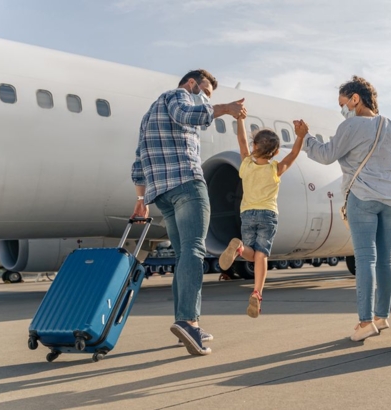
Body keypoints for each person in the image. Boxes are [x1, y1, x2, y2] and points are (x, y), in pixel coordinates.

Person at [296, 76, 391, 342]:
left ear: (355, 99)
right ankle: (381, 317)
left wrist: (305, 138)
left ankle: (364, 322)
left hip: (362, 197)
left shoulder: (350, 126)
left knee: (365, 260)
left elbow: (326, 155)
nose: (342, 109)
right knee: (385, 261)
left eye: (343, 103)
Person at [131, 69, 246, 356]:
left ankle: (184, 321)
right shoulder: (179, 96)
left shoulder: (149, 116)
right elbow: (189, 115)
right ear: (192, 83)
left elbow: (138, 161)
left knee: (184, 256)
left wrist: (140, 199)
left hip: (162, 194)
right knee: (195, 251)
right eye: (206, 91)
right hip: (186, 184)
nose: (207, 98)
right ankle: (189, 321)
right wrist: (226, 109)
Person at [218, 113, 306, 318]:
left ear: (254, 145)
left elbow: (241, 142)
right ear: (275, 152)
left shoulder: (246, 165)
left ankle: (239, 247)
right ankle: (257, 292)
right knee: (262, 254)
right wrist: (300, 136)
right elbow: (293, 154)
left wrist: (240, 119)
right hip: (268, 214)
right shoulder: (275, 169)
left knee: (251, 252)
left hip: (247, 213)